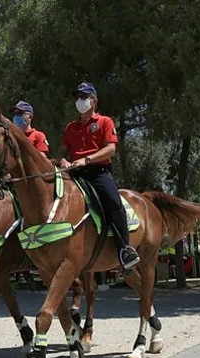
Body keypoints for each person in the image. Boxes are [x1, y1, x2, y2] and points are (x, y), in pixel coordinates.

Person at [57, 82, 140, 271]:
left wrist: (86, 159)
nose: (79, 100)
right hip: (75, 174)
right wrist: (63, 161)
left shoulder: (105, 122)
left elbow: (110, 149)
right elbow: (61, 151)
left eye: (83, 97)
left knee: (114, 202)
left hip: (97, 172)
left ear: (93, 101)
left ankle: (125, 249)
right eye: (77, 97)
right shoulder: (71, 127)